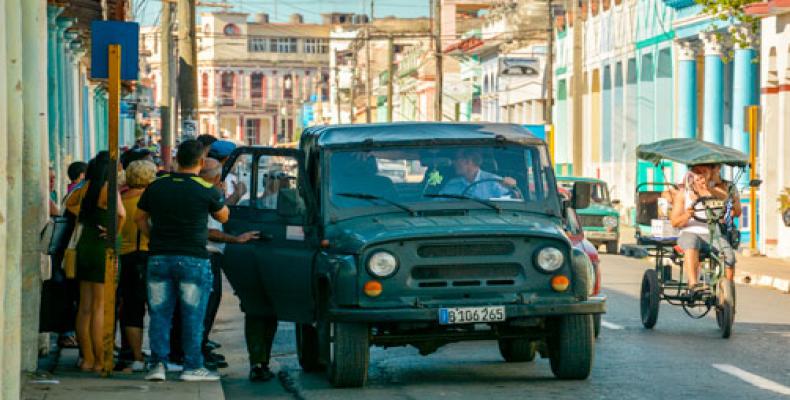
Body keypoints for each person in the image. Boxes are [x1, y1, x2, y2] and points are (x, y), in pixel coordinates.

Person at [136, 139, 229, 382]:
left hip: (158, 257)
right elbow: (224, 216)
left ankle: (157, 364)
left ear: (177, 159)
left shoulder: (157, 185)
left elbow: (139, 218)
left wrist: (154, 238)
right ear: (200, 162)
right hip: (193, 258)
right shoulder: (205, 189)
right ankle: (192, 366)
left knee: (159, 314)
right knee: (193, 315)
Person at [66, 151, 126, 372]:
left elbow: (69, 205)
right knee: (101, 307)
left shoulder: (83, 188)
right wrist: (112, 232)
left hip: (84, 246)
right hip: (102, 248)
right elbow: (121, 215)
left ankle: (87, 359)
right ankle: (101, 360)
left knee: (85, 307)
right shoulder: (108, 189)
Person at [199, 158, 259, 368]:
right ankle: (197, 351)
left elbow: (221, 215)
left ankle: (201, 346)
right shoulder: (205, 193)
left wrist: (234, 195)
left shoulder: (208, 193)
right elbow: (210, 230)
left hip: (208, 255)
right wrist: (236, 239)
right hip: (207, 253)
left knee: (208, 305)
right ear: (217, 177)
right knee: (204, 307)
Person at [670, 164, 737, 297]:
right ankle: (693, 285)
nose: (700, 176)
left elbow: (729, 202)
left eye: (704, 172)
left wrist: (708, 188)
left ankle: (728, 291)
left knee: (729, 257)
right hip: (690, 232)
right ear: (691, 174)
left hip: (713, 234)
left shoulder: (717, 192)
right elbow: (675, 221)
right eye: (697, 172)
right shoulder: (683, 195)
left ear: (709, 174)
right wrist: (687, 214)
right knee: (691, 242)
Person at [117, 160, 158, 372]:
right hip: (147, 255)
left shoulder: (120, 199)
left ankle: (135, 356)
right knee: (158, 308)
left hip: (125, 258)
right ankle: (160, 354)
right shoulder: (149, 201)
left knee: (131, 309)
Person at [439, 149, 519, 199]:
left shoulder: (494, 182)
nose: (454, 163)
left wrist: (512, 187)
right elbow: (437, 204)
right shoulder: (452, 184)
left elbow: (513, 201)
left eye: (456, 159)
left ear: (468, 161)